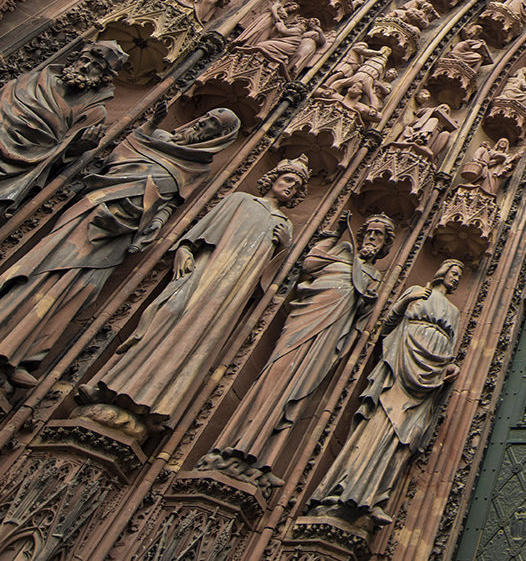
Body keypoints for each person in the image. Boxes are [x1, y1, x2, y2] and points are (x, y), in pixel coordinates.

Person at [0, 108, 240, 389]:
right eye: (206, 116)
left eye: (212, 124)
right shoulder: (157, 137)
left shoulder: (199, 166)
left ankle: (23, 353)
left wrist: (149, 227)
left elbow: (172, 203)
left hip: (124, 231)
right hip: (92, 212)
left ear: (219, 137)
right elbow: (117, 156)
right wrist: (150, 122)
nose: (202, 121)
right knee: (44, 270)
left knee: (82, 290)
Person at [80, 156, 309, 432]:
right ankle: (113, 383)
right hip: (204, 272)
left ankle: (155, 403)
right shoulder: (240, 201)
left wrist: (281, 243)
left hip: (232, 292)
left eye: (297, 187)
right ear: (272, 178)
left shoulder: (284, 226)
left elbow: (270, 277)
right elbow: (202, 231)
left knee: (196, 339)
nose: (291, 188)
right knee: (168, 315)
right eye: (288, 180)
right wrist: (184, 248)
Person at [204, 213, 396, 484]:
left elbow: (364, 310)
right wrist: (336, 231)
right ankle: (234, 441)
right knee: (277, 371)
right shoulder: (342, 251)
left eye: (379, 235)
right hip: (304, 319)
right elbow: (310, 264)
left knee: (297, 389)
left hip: (329, 334)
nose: (372, 238)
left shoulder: (373, 275)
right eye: (370, 232)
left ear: (385, 245)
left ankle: (263, 457)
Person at [311, 259, 465, 526]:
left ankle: (375, 496)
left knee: (407, 434)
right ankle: (346, 489)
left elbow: (450, 347)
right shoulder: (418, 292)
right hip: (400, 366)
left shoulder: (454, 312)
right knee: (381, 422)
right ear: (441, 271)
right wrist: (405, 303)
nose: (456, 279)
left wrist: (448, 367)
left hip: (429, 377)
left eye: (460, 276)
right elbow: (387, 327)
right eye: (454, 272)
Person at [0, 42, 128, 214]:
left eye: (96, 66)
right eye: (84, 60)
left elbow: (60, 157)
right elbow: (6, 97)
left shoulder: (94, 112)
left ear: (104, 76)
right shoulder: (36, 79)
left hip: (23, 162)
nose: (85, 67)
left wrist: (79, 147)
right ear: (75, 60)